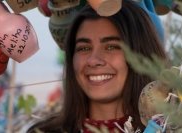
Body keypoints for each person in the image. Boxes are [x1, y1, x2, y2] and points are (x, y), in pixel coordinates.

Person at [28, 0, 168, 132]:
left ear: (141, 55)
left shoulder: (174, 128)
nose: (93, 60)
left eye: (111, 47)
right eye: (84, 48)